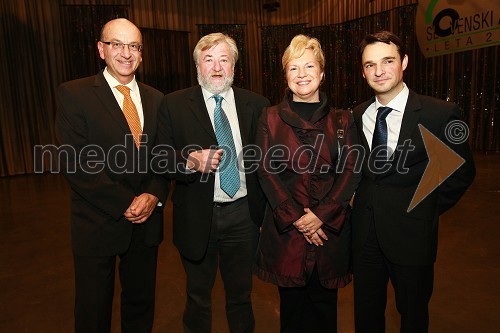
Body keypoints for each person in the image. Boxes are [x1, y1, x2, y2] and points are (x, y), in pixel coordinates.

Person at [351, 30, 476, 332]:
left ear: (404, 62)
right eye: (370, 64)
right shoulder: (359, 114)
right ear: (363, 70)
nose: (378, 71)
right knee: (366, 315)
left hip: (412, 235)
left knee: (413, 315)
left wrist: (425, 207)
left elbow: (460, 172)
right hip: (365, 234)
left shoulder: (439, 113)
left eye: (387, 61)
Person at [55, 18, 169, 333]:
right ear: (101, 50)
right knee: (93, 312)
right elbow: (76, 163)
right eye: (117, 44)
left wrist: (153, 195)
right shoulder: (74, 94)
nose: (126, 53)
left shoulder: (158, 99)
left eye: (134, 46)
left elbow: (163, 157)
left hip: (146, 224)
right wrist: (125, 202)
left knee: (141, 307)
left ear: (142, 54)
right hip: (97, 223)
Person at [156, 33, 270, 333]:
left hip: (243, 217)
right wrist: (190, 161)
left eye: (224, 59)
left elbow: (269, 162)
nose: (216, 67)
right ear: (197, 66)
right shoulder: (174, 104)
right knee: (197, 298)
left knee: (241, 297)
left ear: (234, 66)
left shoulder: (257, 105)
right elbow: (159, 157)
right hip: (196, 217)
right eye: (208, 59)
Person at [253, 34, 361, 333]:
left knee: (325, 311)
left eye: (309, 66)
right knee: (292, 312)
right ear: (285, 75)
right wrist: (299, 219)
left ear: (322, 73)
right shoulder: (270, 117)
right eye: (293, 68)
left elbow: (351, 170)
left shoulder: (343, 120)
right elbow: (265, 169)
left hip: (330, 233)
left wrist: (320, 216)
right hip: (287, 234)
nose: (302, 75)